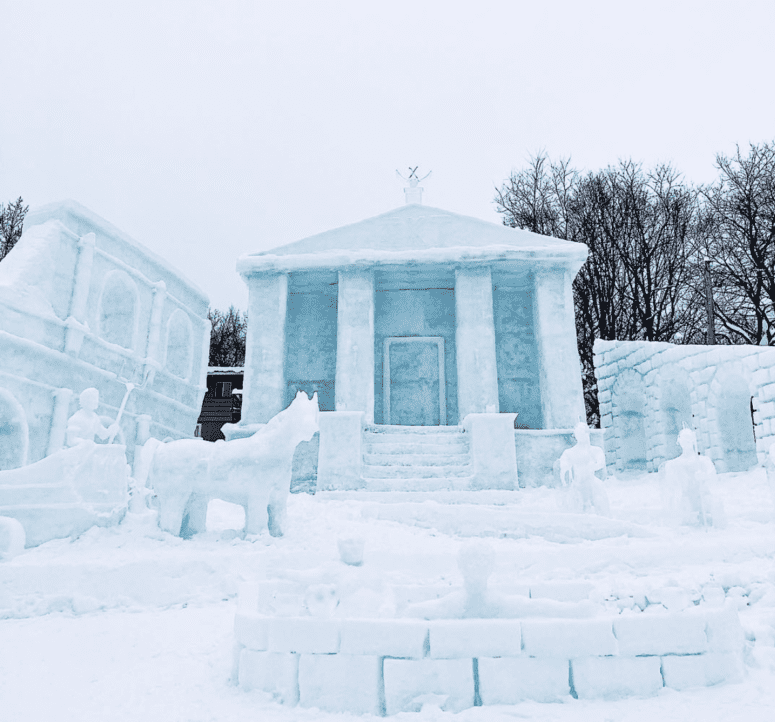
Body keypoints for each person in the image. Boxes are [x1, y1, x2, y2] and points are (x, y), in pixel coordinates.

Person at [558, 421, 610, 515]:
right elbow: (563, 465)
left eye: (584, 432)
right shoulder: (569, 452)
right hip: (577, 485)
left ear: (588, 433)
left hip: (591, 484)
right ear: (575, 435)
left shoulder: (595, 450)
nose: (582, 435)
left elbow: (600, 463)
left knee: (600, 506)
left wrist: (592, 466)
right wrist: (565, 467)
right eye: (579, 432)